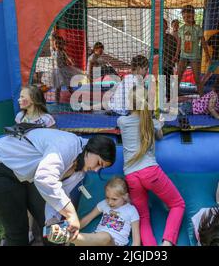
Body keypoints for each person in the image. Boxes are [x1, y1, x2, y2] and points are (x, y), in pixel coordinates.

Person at [0, 132, 116, 246]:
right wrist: (71, 214)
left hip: (26, 176)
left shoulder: (80, 170)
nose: (96, 169)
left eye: (101, 168)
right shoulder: (68, 145)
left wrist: (52, 220)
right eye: (98, 163)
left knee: (50, 231)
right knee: (18, 233)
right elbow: (44, 177)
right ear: (92, 149)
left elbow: (56, 196)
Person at [118, 86, 185, 246]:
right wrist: (159, 123)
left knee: (143, 217)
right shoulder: (151, 122)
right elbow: (159, 137)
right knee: (177, 204)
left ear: (130, 103)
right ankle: (167, 243)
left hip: (131, 175)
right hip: (150, 172)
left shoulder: (121, 121)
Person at [15, 85, 55, 245]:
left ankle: (47, 230)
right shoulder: (20, 117)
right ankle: (30, 231)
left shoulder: (46, 119)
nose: (19, 100)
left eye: (23, 96)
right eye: (19, 96)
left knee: (40, 198)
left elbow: (54, 141)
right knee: (25, 197)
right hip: (24, 161)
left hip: (40, 162)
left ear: (34, 100)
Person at [47, 176, 140, 246]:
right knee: (96, 237)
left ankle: (66, 236)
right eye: (107, 198)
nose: (110, 202)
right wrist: (72, 227)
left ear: (125, 196)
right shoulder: (104, 204)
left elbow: (136, 240)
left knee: (106, 237)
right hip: (95, 238)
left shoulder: (131, 211)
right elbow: (87, 219)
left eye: (114, 199)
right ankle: (65, 234)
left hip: (113, 243)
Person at [175, 5, 209, 94]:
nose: (186, 19)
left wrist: (208, 56)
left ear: (193, 15)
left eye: (189, 16)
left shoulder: (197, 28)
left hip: (195, 57)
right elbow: (179, 44)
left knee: (197, 79)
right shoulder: (181, 29)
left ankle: (202, 98)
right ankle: (174, 97)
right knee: (177, 77)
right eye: (184, 17)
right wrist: (176, 56)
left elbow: (203, 43)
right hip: (183, 56)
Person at [52, 35, 82, 104]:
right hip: (57, 72)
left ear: (62, 44)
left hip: (63, 71)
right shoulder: (54, 52)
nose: (57, 45)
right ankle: (57, 101)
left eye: (59, 43)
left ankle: (76, 98)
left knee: (69, 87)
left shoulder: (63, 52)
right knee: (57, 88)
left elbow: (67, 58)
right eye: (56, 43)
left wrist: (71, 62)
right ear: (54, 44)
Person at [161, 19, 178, 103]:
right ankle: (160, 97)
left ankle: (169, 99)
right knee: (160, 82)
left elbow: (176, 50)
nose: (162, 27)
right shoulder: (156, 38)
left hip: (168, 64)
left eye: (164, 25)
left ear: (166, 27)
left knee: (168, 82)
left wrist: (175, 59)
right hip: (159, 65)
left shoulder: (171, 38)